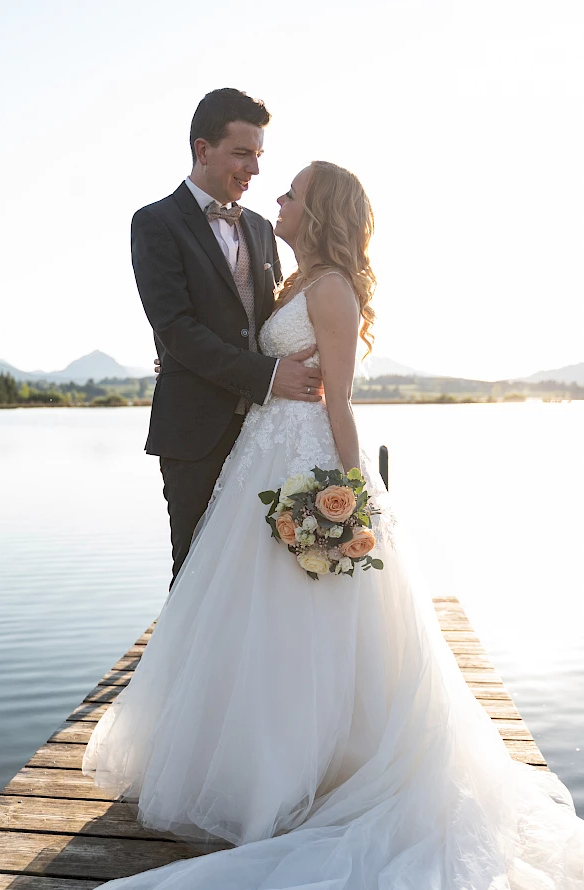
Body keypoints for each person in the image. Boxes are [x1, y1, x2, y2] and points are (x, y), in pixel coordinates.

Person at [83, 161, 584, 888]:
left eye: (291, 193)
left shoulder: (333, 289)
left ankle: (304, 767)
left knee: (305, 618)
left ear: (317, 213)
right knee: (254, 617)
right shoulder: (293, 279)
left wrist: (352, 492)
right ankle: (252, 760)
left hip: (305, 467)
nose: (275, 199)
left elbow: (340, 404)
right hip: (259, 461)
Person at [132, 88, 323, 588]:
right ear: (203, 150)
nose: (253, 170)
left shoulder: (261, 228)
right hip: (195, 433)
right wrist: (270, 376)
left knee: (262, 577)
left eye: (258, 155)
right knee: (195, 576)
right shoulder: (155, 223)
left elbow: (269, 320)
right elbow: (175, 328)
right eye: (242, 153)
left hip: (266, 434)